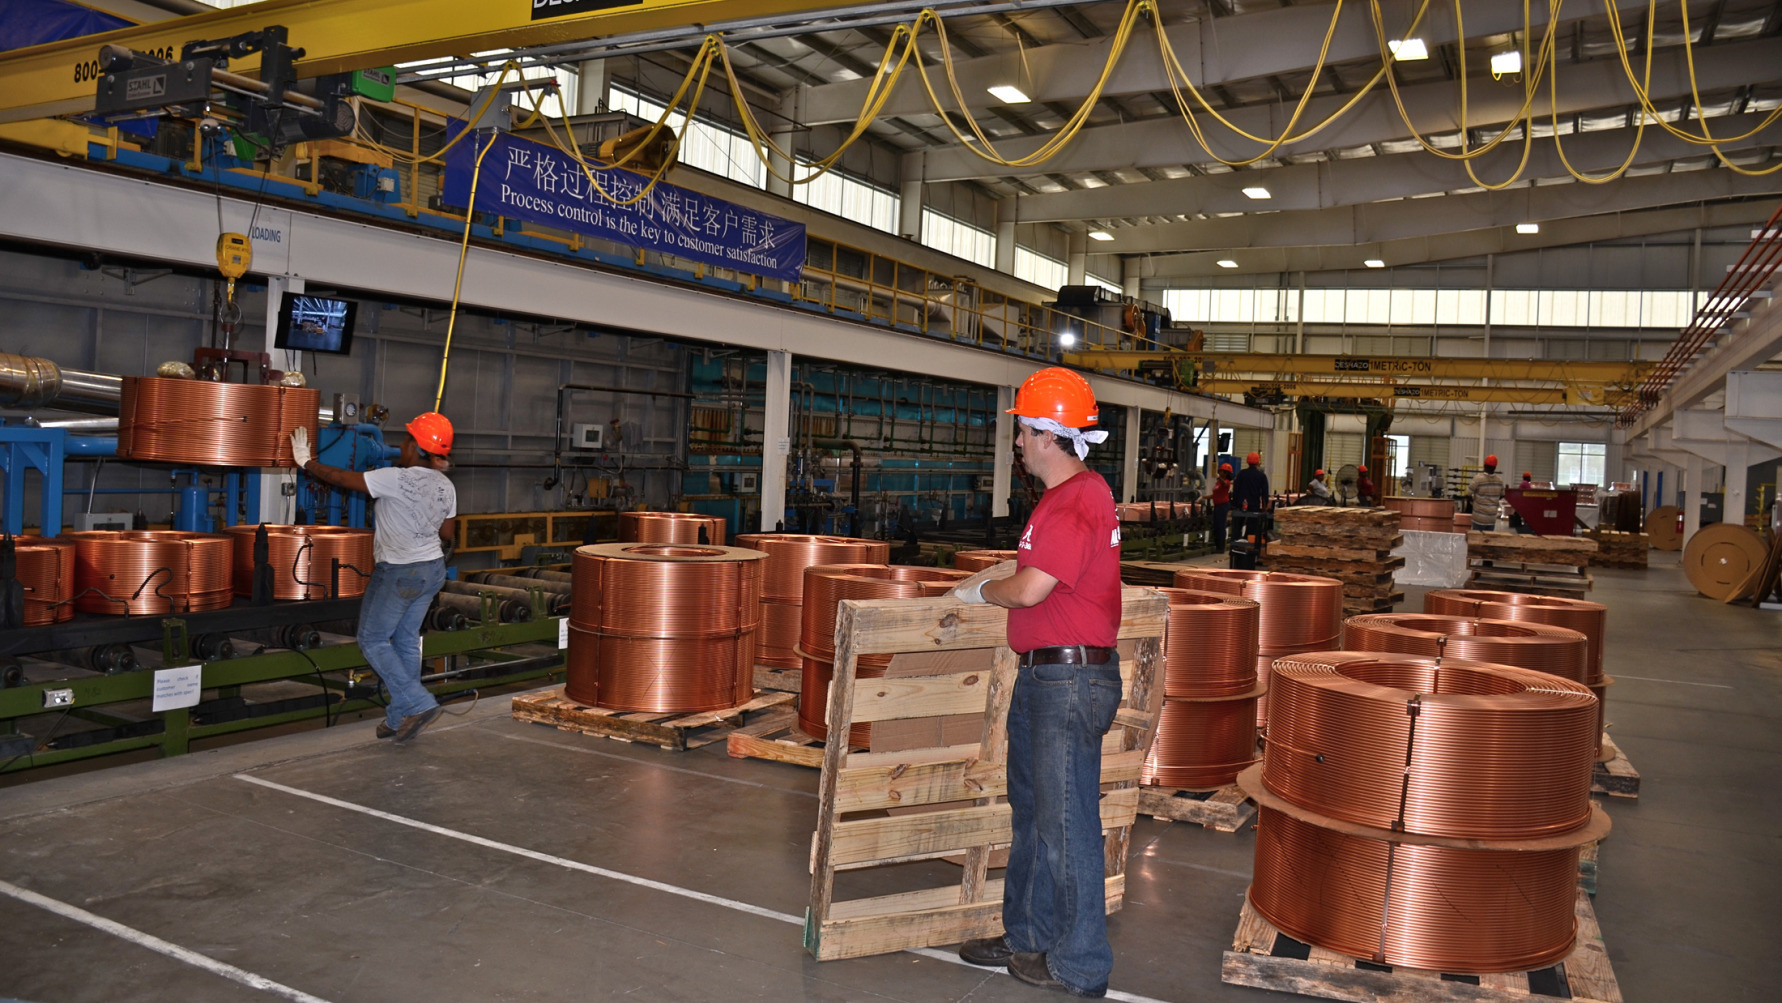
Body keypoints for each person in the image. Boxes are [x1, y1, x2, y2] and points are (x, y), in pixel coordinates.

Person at [951, 366, 1123, 999]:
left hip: (1067, 682)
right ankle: (1027, 935)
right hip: (1047, 677)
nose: (1018, 442)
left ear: (1048, 434)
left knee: (1066, 821)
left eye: (1023, 431)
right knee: (1034, 817)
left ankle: (1080, 965)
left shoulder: (1077, 499)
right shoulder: (1063, 500)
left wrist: (979, 592)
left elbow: (1030, 589)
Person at [291, 412, 458, 743]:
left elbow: (341, 478)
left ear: (415, 446)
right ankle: (399, 718)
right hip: (433, 569)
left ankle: (419, 702)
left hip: (399, 571)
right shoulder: (446, 486)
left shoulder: (393, 478)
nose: (400, 445)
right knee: (407, 639)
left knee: (373, 640)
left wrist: (306, 462)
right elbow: (448, 532)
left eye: (406, 439)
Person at [1231, 451, 1270, 544]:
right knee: (1252, 528)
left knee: (1237, 526)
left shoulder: (1241, 474)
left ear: (1247, 461)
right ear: (1258, 462)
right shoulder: (1261, 476)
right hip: (1254, 505)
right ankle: (1249, 545)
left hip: (1240, 505)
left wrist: (1235, 504)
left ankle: (1236, 544)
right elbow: (1265, 493)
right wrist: (1265, 507)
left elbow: (1235, 490)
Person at [1468, 454, 1508, 533]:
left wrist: (1474, 502)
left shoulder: (1478, 479)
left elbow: (1468, 494)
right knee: (1488, 540)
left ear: (1484, 465)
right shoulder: (1499, 481)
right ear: (1495, 467)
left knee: (1477, 540)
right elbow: (1503, 495)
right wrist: (1494, 499)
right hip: (1491, 518)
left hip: (1479, 517)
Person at [1211, 462, 1233, 549]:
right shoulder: (1218, 483)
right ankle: (1217, 545)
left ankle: (1221, 547)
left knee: (1221, 526)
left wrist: (1219, 478)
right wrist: (1203, 497)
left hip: (1223, 506)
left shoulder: (1226, 482)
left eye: (1221, 471)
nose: (1220, 472)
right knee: (1216, 525)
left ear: (1226, 473)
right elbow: (1215, 494)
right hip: (1217, 506)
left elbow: (1225, 484)